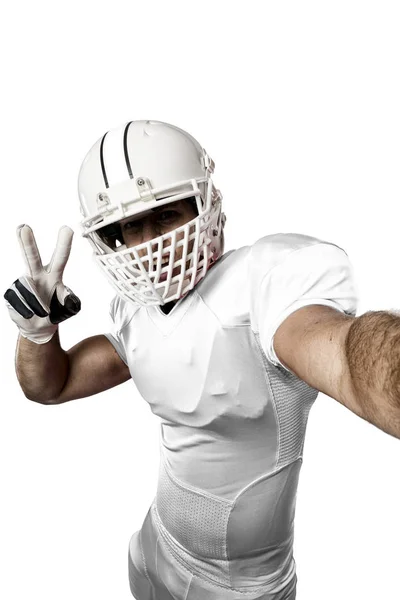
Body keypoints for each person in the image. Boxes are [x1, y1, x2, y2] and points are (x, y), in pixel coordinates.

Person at [4, 120, 400, 600]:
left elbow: (347, 362)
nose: (150, 244)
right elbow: (52, 385)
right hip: (155, 545)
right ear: (111, 237)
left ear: (204, 204)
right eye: (130, 226)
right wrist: (38, 333)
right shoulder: (135, 310)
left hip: (241, 587)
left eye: (166, 214)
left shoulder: (261, 287)